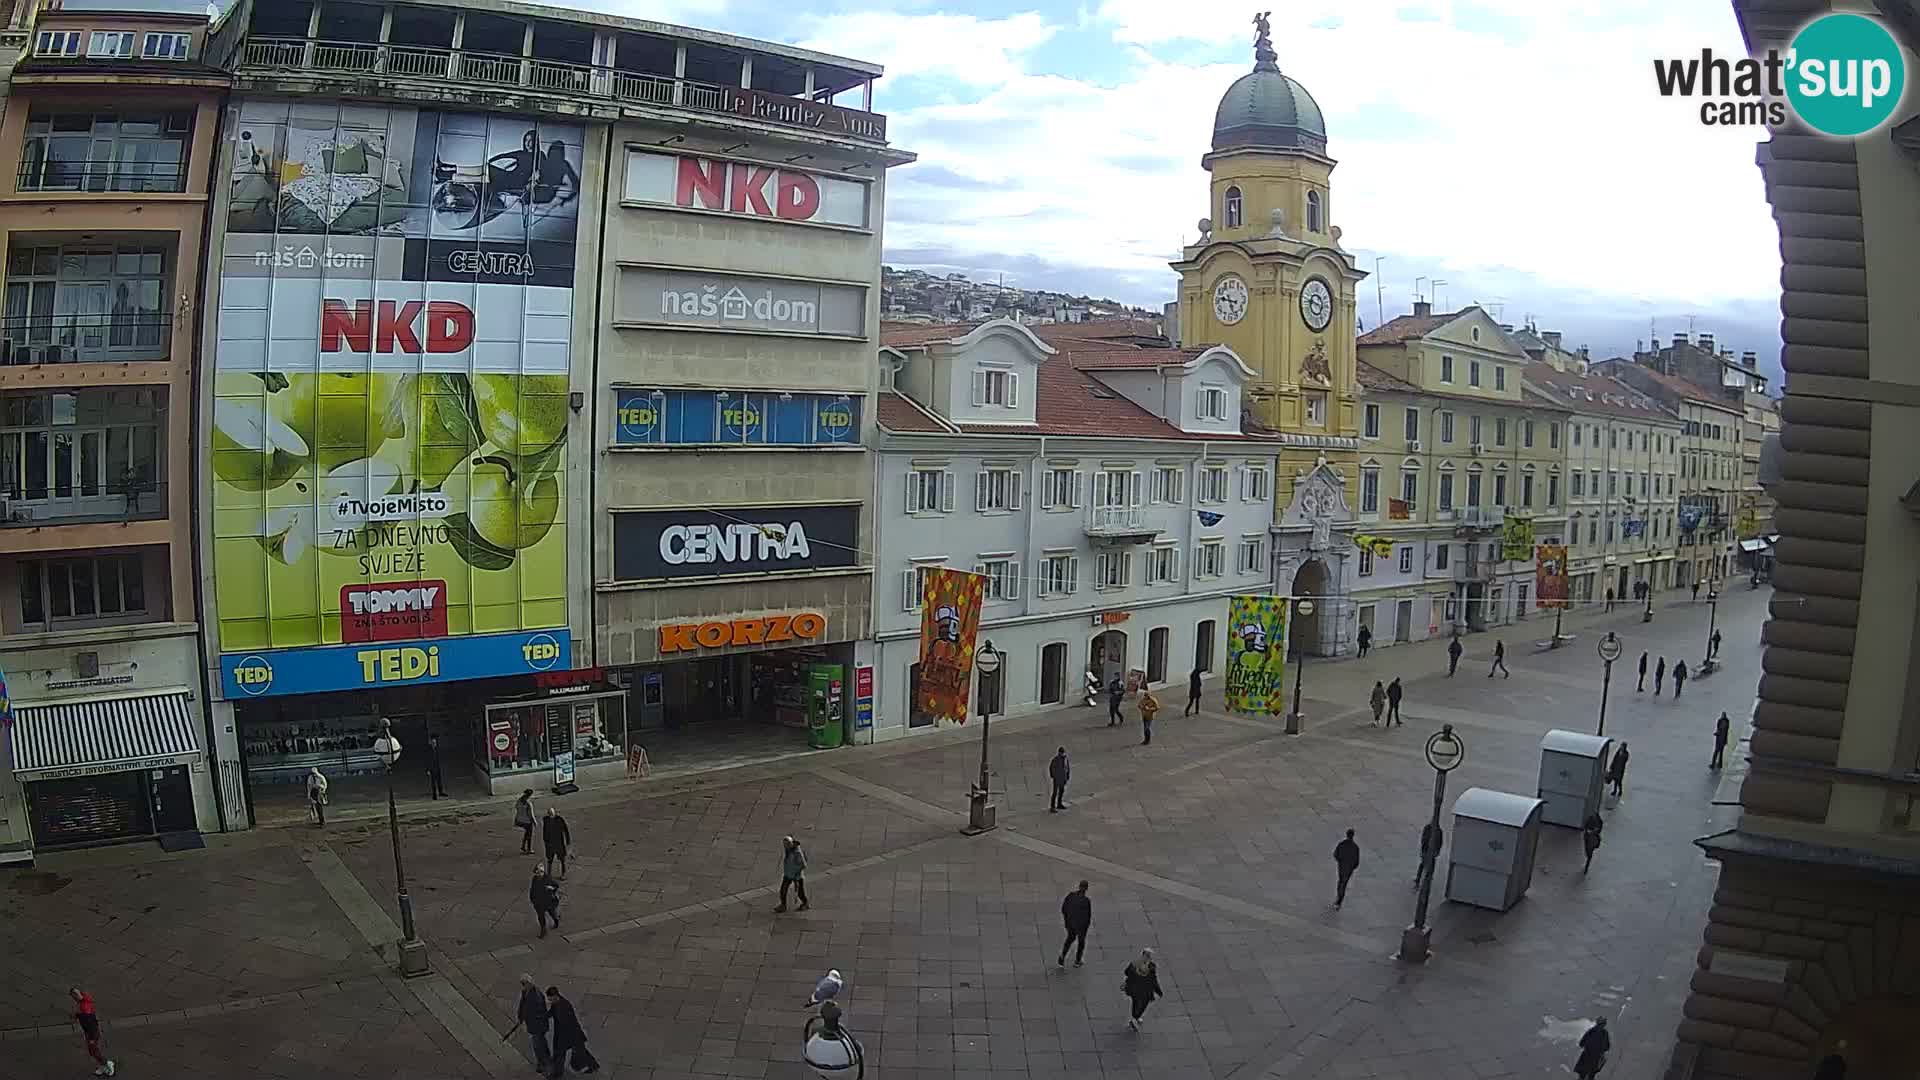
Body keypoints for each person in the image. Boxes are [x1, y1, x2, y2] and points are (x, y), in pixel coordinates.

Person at [545, 986, 599, 1076]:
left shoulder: (564, 1006)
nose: (550, 1001)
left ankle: (557, 1074)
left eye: (550, 999)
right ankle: (593, 1066)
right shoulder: (556, 1003)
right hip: (566, 1035)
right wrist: (543, 1016)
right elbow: (551, 1012)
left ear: (555, 996)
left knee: (563, 1054)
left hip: (571, 1035)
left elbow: (568, 1024)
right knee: (577, 1051)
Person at [70, 988, 114, 1077]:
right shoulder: (84, 1000)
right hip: (89, 1032)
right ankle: (102, 1065)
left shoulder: (85, 1008)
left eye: (74, 995)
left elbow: (91, 1025)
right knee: (92, 1051)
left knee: (94, 1051)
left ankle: (108, 1064)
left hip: (92, 1033)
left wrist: (92, 1038)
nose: (74, 998)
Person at [516, 973, 551, 1073]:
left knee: (537, 1044)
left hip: (538, 1025)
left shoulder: (536, 996)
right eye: (522, 983)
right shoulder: (525, 992)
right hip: (533, 1024)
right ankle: (547, 1057)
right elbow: (522, 1005)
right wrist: (520, 1017)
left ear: (529, 984)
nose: (523, 986)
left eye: (524, 983)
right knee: (541, 1041)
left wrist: (525, 1017)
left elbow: (537, 1012)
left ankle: (542, 1063)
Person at [1121, 949, 1163, 1031]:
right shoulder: (1151, 966)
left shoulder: (1134, 964)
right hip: (1146, 989)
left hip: (1135, 988)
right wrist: (1158, 991)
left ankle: (1135, 1017)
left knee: (1136, 1002)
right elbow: (1153, 980)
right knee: (1143, 1004)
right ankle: (1135, 1018)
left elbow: (1126, 972)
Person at [1058, 880, 1092, 967]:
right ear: (1086, 888)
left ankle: (1062, 956)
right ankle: (1077, 961)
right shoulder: (1086, 901)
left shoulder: (1071, 896)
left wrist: (1067, 920)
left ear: (1079, 886)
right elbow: (1087, 917)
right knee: (1081, 942)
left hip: (1070, 924)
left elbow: (1064, 909)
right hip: (1080, 927)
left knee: (1069, 939)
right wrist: (1085, 928)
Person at [775, 835, 809, 913]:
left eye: (786, 845)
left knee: (800, 892)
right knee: (783, 890)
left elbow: (803, 865)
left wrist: (796, 873)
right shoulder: (788, 850)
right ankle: (783, 905)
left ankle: (805, 903)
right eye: (784, 845)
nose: (785, 847)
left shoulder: (797, 853)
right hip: (788, 874)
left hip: (797, 876)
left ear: (790, 844)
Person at [530, 864, 560, 937]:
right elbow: (532, 888)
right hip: (538, 902)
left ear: (542, 872)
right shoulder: (535, 878)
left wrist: (551, 888)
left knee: (552, 913)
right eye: (536, 872)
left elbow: (556, 886)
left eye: (539, 872)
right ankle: (543, 930)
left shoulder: (548, 879)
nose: (538, 874)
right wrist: (532, 899)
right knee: (540, 916)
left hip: (548, 901)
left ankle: (556, 920)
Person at [1332, 829, 1361, 908]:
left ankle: (1339, 897)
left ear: (1347, 835)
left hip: (1341, 867)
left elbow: (1335, 854)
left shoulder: (1342, 844)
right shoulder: (1355, 847)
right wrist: (1352, 867)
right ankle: (1339, 899)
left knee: (1340, 881)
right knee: (1344, 883)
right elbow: (1356, 862)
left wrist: (1340, 861)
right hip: (1349, 869)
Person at [542, 807, 571, 879]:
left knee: (562, 859)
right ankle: (549, 874)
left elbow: (565, 830)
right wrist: (545, 841)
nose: (551, 815)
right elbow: (544, 831)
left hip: (558, 843)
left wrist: (568, 841)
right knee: (550, 859)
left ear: (554, 813)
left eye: (552, 814)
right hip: (550, 843)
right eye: (550, 814)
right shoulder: (546, 820)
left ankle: (563, 873)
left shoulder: (559, 819)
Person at [1414, 821, 1443, 888]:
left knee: (1425, 864)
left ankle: (1423, 879)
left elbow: (1424, 839)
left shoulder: (1433, 829)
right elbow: (1424, 839)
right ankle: (1420, 879)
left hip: (1429, 850)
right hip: (1427, 850)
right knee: (1425, 864)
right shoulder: (1437, 830)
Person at [1048, 747, 1071, 811]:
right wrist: (1053, 776)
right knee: (1055, 792)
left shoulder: (1066, 759)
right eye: (1061, 753)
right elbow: (1051, 768)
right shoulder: (1055, 759)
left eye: (1063, 752)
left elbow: (1067, 768)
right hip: (1057, 778)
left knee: (1061, 791)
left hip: (1063, 778)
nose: (1062, 754)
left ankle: (1059, 804)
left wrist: (1067, 775)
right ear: (1059, 753)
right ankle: (1052, 807)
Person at [514, 789, 536, 854]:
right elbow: (531, 815)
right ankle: (529, 849)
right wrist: (534, 822)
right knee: (529, 835)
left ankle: (523, 846)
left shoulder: (519, 801)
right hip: (527, 821)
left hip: (519, 820)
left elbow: (516, 808)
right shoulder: (528, 804)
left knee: (527, 833)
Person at [427, 732, 448, 799]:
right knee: (433, 782)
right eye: (433, 743)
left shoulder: (437, 749)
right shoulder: (428, 750)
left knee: (439, 780)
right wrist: (428, 769)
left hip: (437, 767)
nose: (434, 744)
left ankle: (440, 792)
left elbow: (438, 758)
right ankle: (434, 794)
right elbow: (427, 760)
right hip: (432, 768)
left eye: (435, 743)